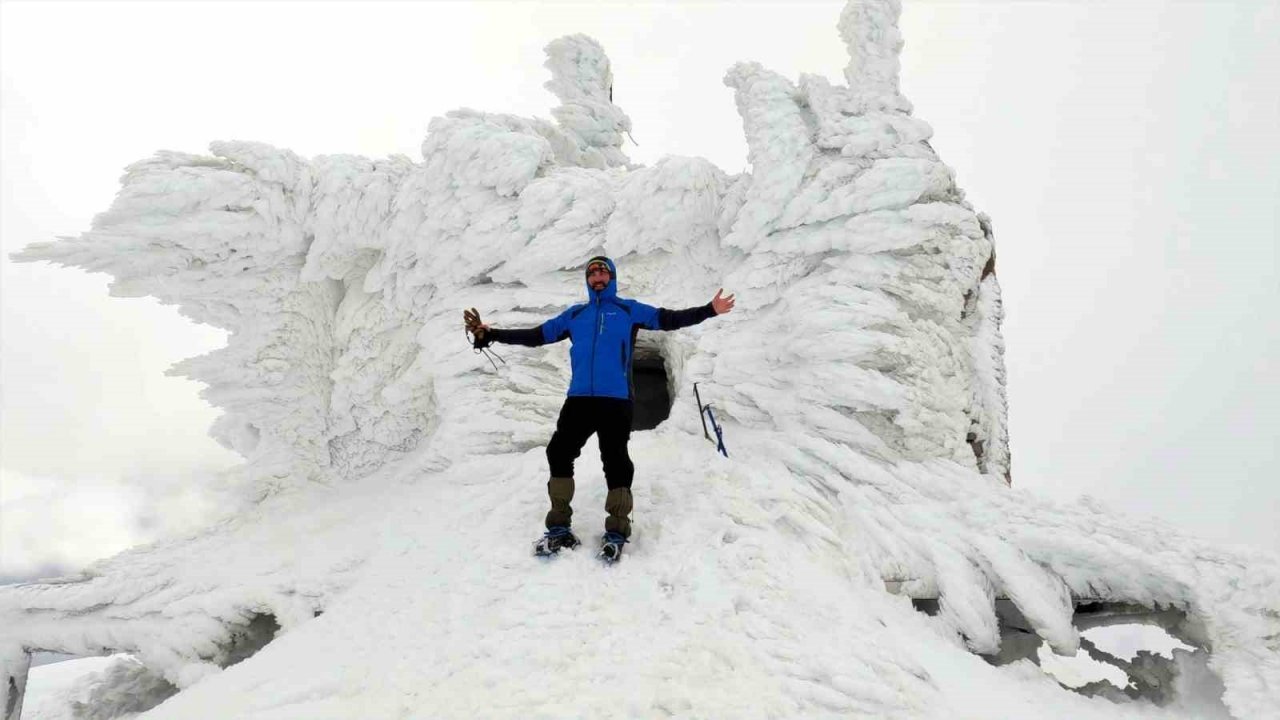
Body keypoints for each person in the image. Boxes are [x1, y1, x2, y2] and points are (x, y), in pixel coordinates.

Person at [464, 256, 735, 560]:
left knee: (616, 460)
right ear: (587, 280)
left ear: (612, 277)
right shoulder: (575, 315)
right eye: (591, 272)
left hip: (616, 400)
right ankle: (559, 528)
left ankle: (617, 530)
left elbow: (668, 318)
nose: (597, 276)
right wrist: (493, 334)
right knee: (558, 452)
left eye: (602, 270)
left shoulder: (628, 310)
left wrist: (709, 310)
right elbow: (537, 335)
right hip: (579, 399)